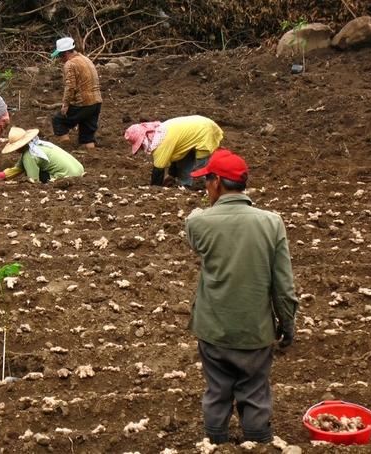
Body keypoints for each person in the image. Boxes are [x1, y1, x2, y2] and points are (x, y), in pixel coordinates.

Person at [184, 148, 299, 445]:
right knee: (255, 391)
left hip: (213, 330)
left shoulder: (199, 222)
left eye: (207, 180)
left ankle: (216, 443)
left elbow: (195, 223)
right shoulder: (272, 223)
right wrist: (287, 326)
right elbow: (283, 287)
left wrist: (202, 210)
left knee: (217, 390)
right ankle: (258, 443)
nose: (205, 186)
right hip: (255, 332)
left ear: (217, 183)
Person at [124, 115, 223, 189]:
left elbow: (158, 170)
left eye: (140, 145)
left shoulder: (161, 144)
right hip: (198, 126)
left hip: (204, 131)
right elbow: (176, 154)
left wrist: (154, 189)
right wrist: (172, 175)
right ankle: (186, 184)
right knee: (183, 160)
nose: (141, 148)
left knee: (200, 168)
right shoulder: (160, 132)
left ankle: (204, 187)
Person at [50, 37, 102, 149]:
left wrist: (65, 104)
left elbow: (70, 87)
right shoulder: (85, 59)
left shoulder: (70, 64)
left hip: (83, 103)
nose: (60, 58)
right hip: (96, 103)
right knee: (87, 136)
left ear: (65, 53)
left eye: (60, 55)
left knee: (58, 121)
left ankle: (66, 149)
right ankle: (92, 156)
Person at [0, 127, 84, 183]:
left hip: (67, 176)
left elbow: (34, 180)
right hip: (79, 170)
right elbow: (17, 169)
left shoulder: (29, 155)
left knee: (34, 173)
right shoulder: (39, 146)